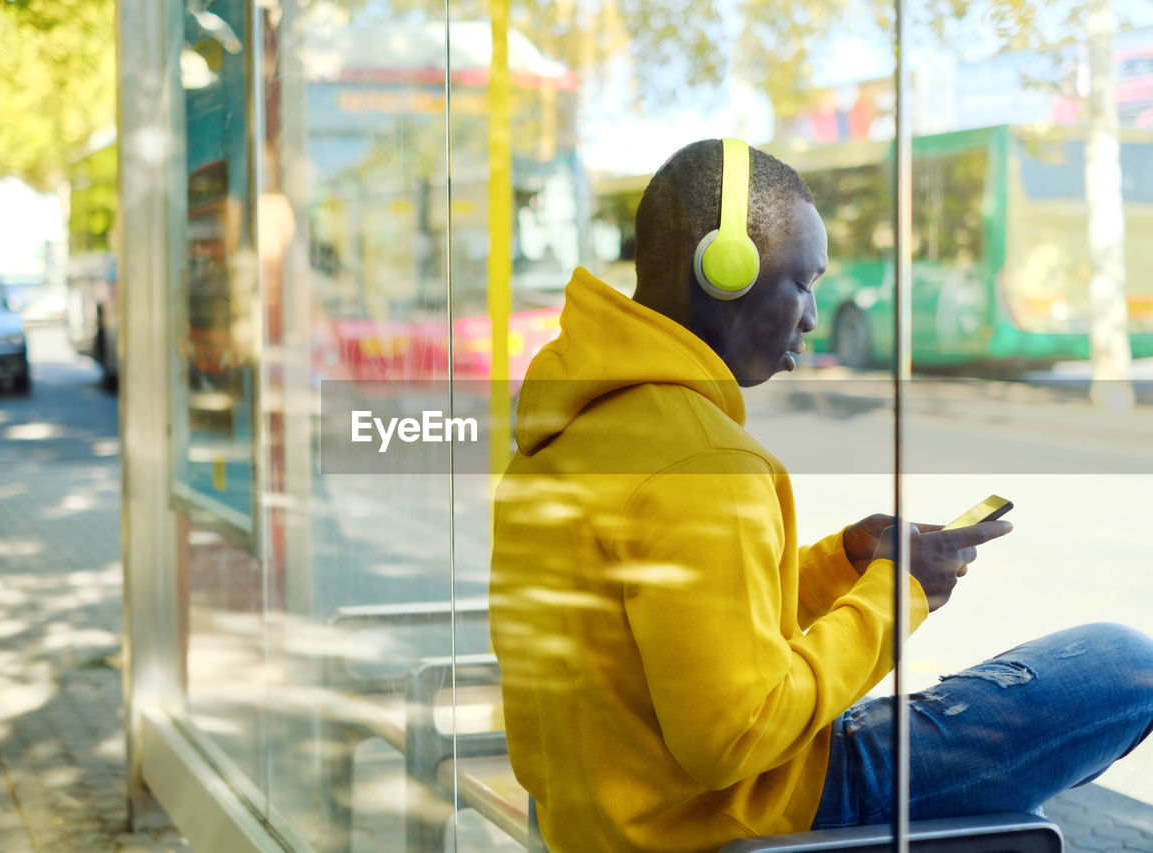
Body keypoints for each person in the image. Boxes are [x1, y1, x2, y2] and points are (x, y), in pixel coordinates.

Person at [487, 138, 1153, 852]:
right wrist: (899, 594)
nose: (811, 315)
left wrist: (843, 562)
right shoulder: (703, 458)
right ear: (726, 270)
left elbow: (676, 619)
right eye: (804, 281)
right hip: (752, 815)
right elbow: (736, 734)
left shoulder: (569, 431)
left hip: (602, 816)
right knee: (1122, 667)